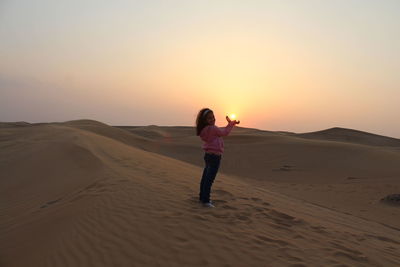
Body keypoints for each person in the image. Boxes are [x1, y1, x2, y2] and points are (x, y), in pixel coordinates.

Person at [195, 108, 240, 208]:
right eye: (209, 118)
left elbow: (219, 132)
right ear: (205, 120)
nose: (212, 120)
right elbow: (224, 133)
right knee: (209, 180)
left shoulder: (204, 130)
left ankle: (202, 197)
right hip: (215, 157)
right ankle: (206, 201)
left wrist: (228, 124)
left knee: (205, 178)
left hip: (208, 155)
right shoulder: (212, 128)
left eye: (213, 117)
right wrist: (231, 124)